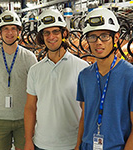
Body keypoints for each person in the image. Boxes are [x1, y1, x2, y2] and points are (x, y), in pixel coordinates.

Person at [24, 9, 89, 150]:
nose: (51, 37)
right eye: (46, 33)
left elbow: (86, 111)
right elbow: (30, 108)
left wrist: (80, 143)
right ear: (42, 36)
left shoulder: (82, 67)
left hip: (71, 144)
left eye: (55, 32)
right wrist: (28, 140)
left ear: (64, 34)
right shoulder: (35, 70)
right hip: (41, 143)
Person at [75, 8, 133, 150]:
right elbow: (84, 116)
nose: (98, 42)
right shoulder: (84, 75)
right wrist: (77, 146)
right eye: (92, 37)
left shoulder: (129, 75)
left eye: (105, 36)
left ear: (116, 37)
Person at [0, 10, 37, 150]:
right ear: (0, 32)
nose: (9, 33)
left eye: (13, 29)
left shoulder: (29, 58)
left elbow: (36, 92)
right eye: (6, 29)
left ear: (19, 32)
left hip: (24, 119)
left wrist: (36, 121)